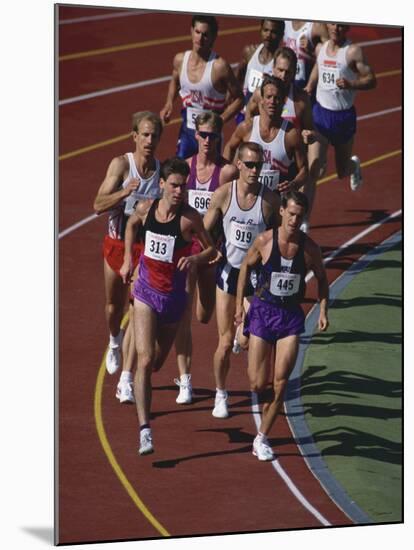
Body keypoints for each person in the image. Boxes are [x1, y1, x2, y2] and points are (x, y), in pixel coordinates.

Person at [120, 157, 216, 455]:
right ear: (161, 184)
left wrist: (195, 258)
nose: (179, 191)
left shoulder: (190, 218)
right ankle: (145, 429)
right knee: (145, 360)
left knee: (158, 363)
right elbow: (132, 226)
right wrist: (128, 260)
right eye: (174, 185)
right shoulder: (145, 208)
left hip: (174, 299)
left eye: (183, 185)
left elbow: (213, 249)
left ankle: (141, 388)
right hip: (146, 292)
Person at [235, 190, 329, 461]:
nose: (294, 220)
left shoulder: (310, 249)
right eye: (290, 214)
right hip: (263, 312)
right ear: (281, 212)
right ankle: (243, 337)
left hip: (290, 318)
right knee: (256, 384)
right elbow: (244, 268)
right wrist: (240, 305)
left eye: (299, 217)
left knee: (281, 383)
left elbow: (322, 279)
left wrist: (323, 309)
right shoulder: (265, 241)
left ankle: (261, 437)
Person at [203, 142, 280, 419]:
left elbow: (276, 238)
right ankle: (221, 393)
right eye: (249, 164)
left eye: (258, 165)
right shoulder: (224, 194)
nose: (254, 170)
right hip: (229, 272)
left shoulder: (270, 201)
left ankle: (241, 335)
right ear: (238, 165)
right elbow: (204, 229)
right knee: (224, 343)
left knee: (246, 342)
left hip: (256, 277)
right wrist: (211, 249)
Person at [93, 111, 162, 388]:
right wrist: (124, 192)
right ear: (134, 136)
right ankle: (114, 340)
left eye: (154, 135)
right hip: (116, 243)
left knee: (136, 309)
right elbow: (97, 204)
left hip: (143, 248)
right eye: (144, 134)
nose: (149, 140)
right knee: (113, 306)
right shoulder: (121, 165)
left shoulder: (160, 171)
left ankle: (127, 378)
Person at [174, 111, 238, 405]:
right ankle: (185, 381)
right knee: (183, 315)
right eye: (203, 134)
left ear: (219, 138)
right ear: (195, 135)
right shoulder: (184, 171)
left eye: (213, 135)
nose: (207, 140)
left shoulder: (227, 173)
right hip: (189, 254)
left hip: (213, 255)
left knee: (203, 315)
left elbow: (236, 211)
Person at [245, 47, 320, 231]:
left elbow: (311, 129)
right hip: (261, 162)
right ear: (273, 69)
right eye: (279, 70)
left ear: (295, 72)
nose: (283, 75)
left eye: (288, 71)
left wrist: (308, 135)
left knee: (280, 221)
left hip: (286, 165)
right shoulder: (260, 93)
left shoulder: (300, 100)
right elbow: (249, 113)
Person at [304, 23, 376, 191]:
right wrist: (309, 85)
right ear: (327, 25)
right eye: (332, 24)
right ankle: (303, 215)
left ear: (348, 28)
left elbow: (372, 80)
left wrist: (352, 83)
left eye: (341, 25)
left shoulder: (352, 52)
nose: (336, 29)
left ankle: (354, 165)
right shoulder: (321, 48)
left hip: (342, 118)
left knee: (342, 171)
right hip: (320, 115)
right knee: (314, 170)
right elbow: (318, 66)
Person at [160, 14, 244, 159]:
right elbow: (175, 80)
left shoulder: (219, 67)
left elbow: (239, 99)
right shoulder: (180, 60)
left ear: (213, 37)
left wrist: (221, 120)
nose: (200, 38)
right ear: (191, 31)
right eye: (197, 32)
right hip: (187, 133)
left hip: (210, 138)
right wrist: (168, 103)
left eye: (205, 35)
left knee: (210, 179)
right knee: (179, 175)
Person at [224, 74, 308, 196]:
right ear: (261, 99)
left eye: (277, 98)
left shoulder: (291, 134)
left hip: (276, 200)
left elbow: (304, 169)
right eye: (269, 97)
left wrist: (293, 184)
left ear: (284, 100)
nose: (272, 102)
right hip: (247, 197)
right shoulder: (247, 127)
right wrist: (229, 174)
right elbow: (229, 147)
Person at [235, 19, 285, 124]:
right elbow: (239, 74)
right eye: (265, 30)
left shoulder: (281, 63)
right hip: (245, 114)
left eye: (273, 32)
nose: (268, 35)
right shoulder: (250, 51)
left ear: (281, 34)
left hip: (265, 120)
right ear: (260, 30)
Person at [283, 20, 328, 90]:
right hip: (287, 85)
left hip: (309, 88)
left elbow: (331, 58)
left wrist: (310, 52)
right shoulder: (284, 22)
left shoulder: (317, 26)